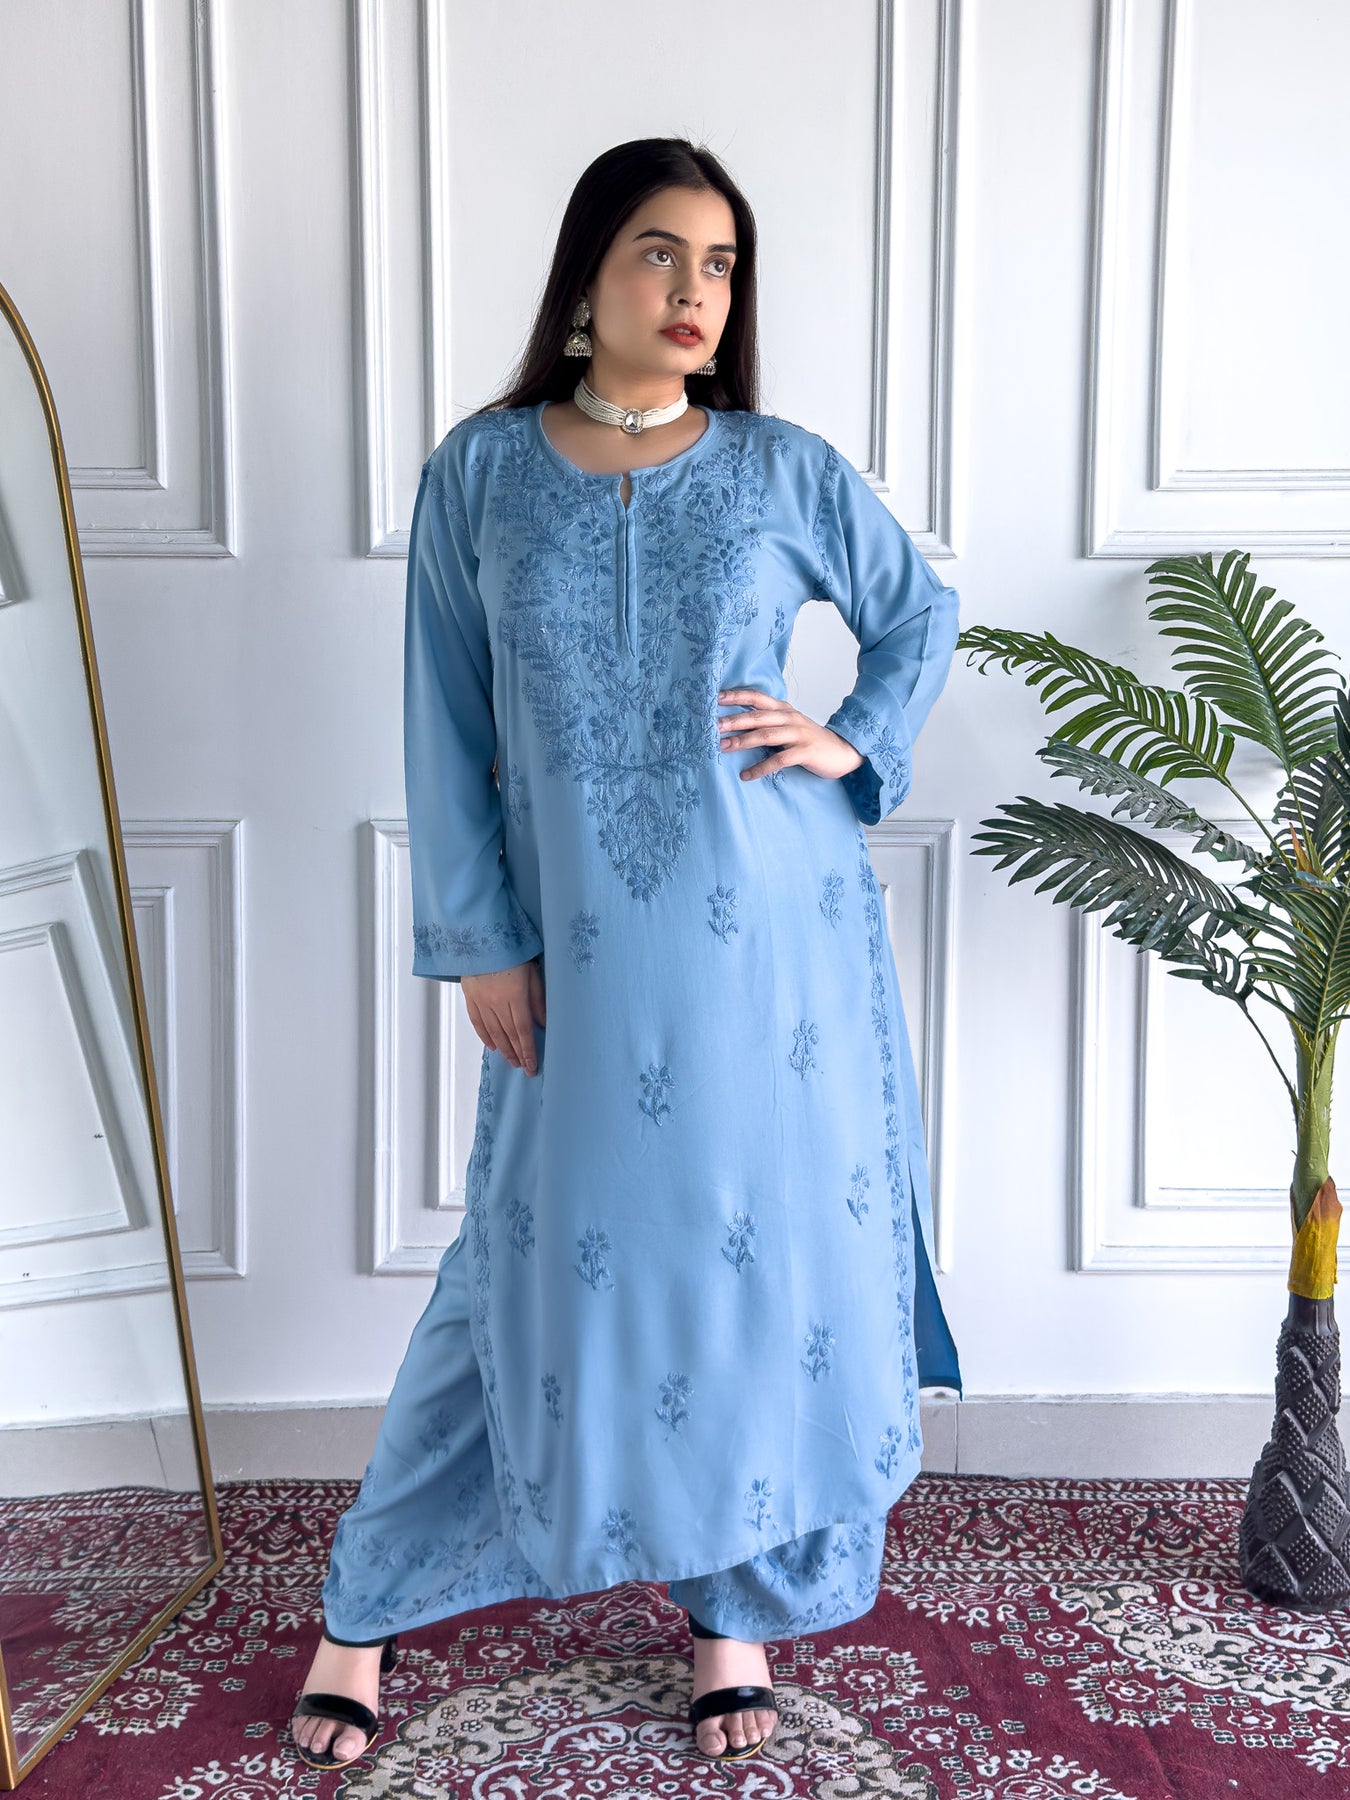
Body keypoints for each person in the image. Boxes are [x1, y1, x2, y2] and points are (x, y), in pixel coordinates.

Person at [288, 135, 963, 1772]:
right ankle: (362, 1610)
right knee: (509, 1275)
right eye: (661, 252)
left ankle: (730, 1615)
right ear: (587, 274)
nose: (694, 291)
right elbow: (443, 723)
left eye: (719, 264)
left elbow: (917, 613)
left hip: (769, 953)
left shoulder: (780, 468)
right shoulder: (480, 472)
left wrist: (851, 737)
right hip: (577, 955)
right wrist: (480, 943)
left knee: (745, 1265)